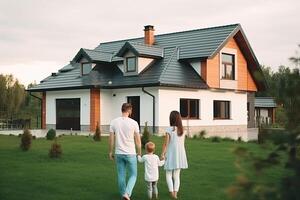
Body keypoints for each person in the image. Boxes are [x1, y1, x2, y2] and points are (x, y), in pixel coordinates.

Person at [109, 103, 142, 200]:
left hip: (118, 153)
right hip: (131, 153)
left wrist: (110, 152)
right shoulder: (134, 123)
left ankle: (124, 194)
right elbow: (138, 140)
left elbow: (111, 139)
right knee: (133, 175)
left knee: (121, 175)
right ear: (129, 111)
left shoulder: (114, 122)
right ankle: (127, 193)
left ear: (122, 110)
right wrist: (139, 152)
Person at [161, 111, 188, 199]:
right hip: (180, 154)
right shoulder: (183, 130)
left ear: (171, 118)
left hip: (171, 153)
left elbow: (166, 144)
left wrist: (162, 154)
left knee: (168, 174)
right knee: (177, 175)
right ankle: (175, 194)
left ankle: (172, 193)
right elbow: (182, 143)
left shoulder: (169, 129)